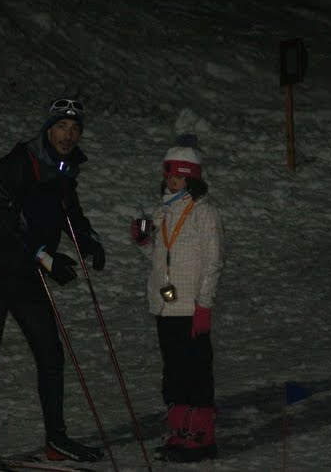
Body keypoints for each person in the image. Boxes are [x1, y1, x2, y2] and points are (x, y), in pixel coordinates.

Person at [0, 98, 106, 465]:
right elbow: (4, 227)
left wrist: (88, 241)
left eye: (74, 129)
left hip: (27, 278)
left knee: (51, 353)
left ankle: (56, 439)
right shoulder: (12, 168)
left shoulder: (63, 170)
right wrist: (45, 257)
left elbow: (70, 213)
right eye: (61, 127)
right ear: (47, 129)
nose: (68, 136)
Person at [130, 137, 226, 462]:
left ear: (192, 179)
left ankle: (202, 436)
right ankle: (180, 430)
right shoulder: (163, 211)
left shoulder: (203, 212)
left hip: (191, 307)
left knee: (195, 371)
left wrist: (204, 305)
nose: (172, 181)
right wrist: (144, 241)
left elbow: (214, 262)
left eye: (179, 177)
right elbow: (159, 258)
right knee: (173, 372)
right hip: (165, 307)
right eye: (169, 175)